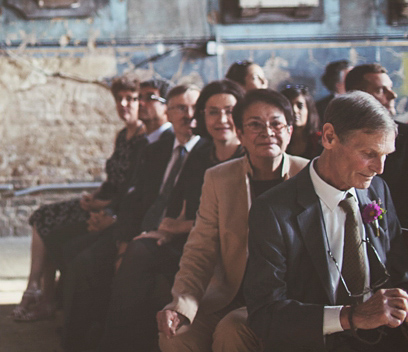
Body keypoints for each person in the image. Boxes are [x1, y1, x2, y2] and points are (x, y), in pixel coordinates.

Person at [245, 92, 408, 352]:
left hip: (385, 338)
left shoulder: (377, 189)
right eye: (369, 153)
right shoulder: (274, 210)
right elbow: (265, 313)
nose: (379, 168)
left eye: (386, 154)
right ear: (329, 137)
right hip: (318, 341)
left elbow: (398, 270)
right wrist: (352, 317)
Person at [97, 81, 245, 352]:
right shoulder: (201, 157)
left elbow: (236, 222)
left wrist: (179, 228)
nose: (221, 119)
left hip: (228, 251)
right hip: (195, 240)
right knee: (134, 251)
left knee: (140, 253)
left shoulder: (246, 158)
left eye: (229, 111)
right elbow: (178, 206)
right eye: (212, 112)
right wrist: (166, 229)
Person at [158, 89, 308, 352]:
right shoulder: (219, 178)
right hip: (229, 295)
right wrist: (180, 305)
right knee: (177, 334)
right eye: (254, 125)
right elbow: (199, 250)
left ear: (290, 131)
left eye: (276, 123)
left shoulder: (308, 176)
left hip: (286, 299)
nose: (267, 132)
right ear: (239, 134)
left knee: (233, 331)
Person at [61, 84, 207, 351]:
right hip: (138, 229)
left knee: (131, 261)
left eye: (195, 108)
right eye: (181, 108)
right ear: (169, 113)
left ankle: (111, 342)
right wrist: (123, 239)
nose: (189, 115)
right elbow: (135, 198)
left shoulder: (207, 153)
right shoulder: (157, 149)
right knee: (79, 259)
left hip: (170, 239)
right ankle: (74, 343)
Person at [11, 75, 153, 322]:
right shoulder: (122, 136)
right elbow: (112, 180)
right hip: (103, 199)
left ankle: (41, 297)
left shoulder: (145, 140)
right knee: (42, 215)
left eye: (130, 99)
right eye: (119, 99)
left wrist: (104, 205)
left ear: (140, 102)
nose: (124, 105)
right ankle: (37, 289)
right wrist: (94, 196)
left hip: (114, 208)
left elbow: (132, 188)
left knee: (50, 228)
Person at [344, 64, 408, 226]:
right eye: (380, 90)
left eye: (391, 88)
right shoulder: (336, 137)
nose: (393, 95)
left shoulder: (405, 136)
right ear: (358, 96)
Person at [281, 84, 322, 159]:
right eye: (289, 106)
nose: (294, 110)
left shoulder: (321, 141)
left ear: (308, 110)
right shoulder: (279, 140)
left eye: (300, 106)